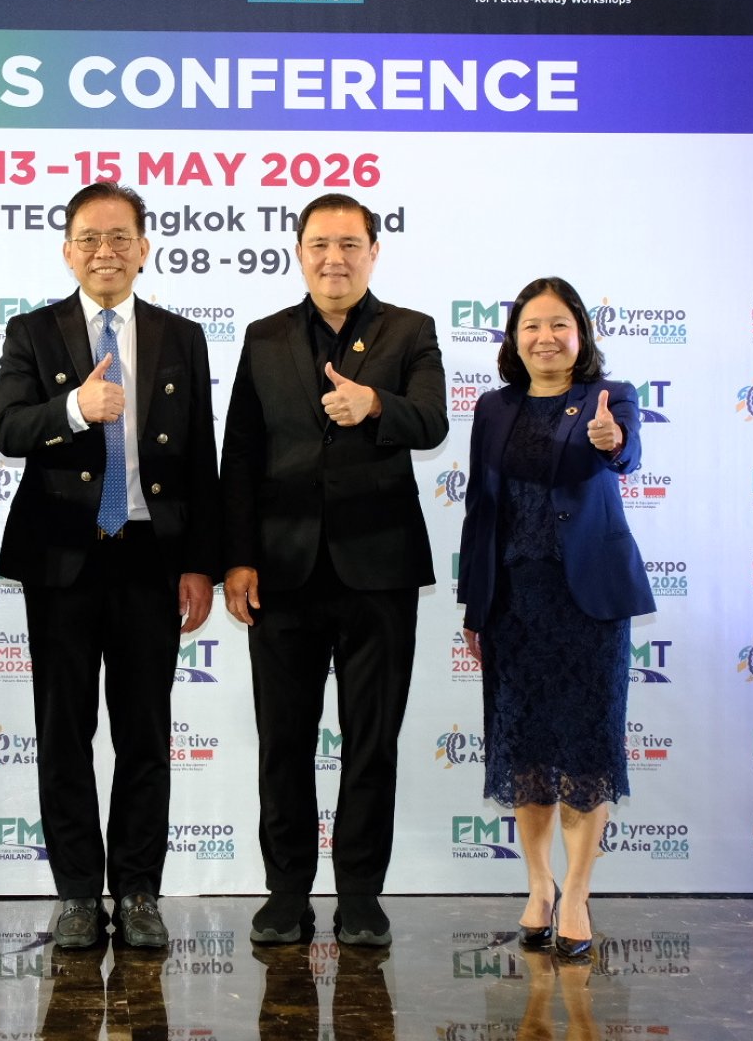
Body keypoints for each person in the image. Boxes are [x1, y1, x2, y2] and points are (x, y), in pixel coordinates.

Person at [0, 180, 219, 951]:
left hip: (151, 559)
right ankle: (78, 895)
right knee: (64, 732)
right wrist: (75, 410)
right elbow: (8, 429)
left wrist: (201, 563)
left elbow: (200, 457)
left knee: (145, 734)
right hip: (62, 558)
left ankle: (140, 890)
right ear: (67, 251)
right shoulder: (32, 331)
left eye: (121, 237)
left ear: (144, 248)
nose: (105, 251)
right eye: (89, 237)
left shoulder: (181, 336)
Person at [220, 191, 448, 947]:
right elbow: (240, 454)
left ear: (373, 252)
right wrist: (237, 558)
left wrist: (375, 404)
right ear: (299, 252)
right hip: (281, 573)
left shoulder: (410, 330)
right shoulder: (264, 336)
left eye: (350, 244)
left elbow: (432, 420)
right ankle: (286, 891)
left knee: (371, 741)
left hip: (379, 569)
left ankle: (360, 895)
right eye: (320, 244)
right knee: (283, 741)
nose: (334, 258)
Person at [456, 276, 655, 963]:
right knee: (526, 750)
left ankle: (577, 893)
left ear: (580, 335)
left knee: (586, 749)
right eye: (531, 326)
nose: (545, 337)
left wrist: (610, 439)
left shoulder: (610, 396)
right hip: (513, 601)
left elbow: (624, 452)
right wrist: (474, 602)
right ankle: (538, 885)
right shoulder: (493, 408)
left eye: (559, 325)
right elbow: (480, 508)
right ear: (515, 339)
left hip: (587, 604)